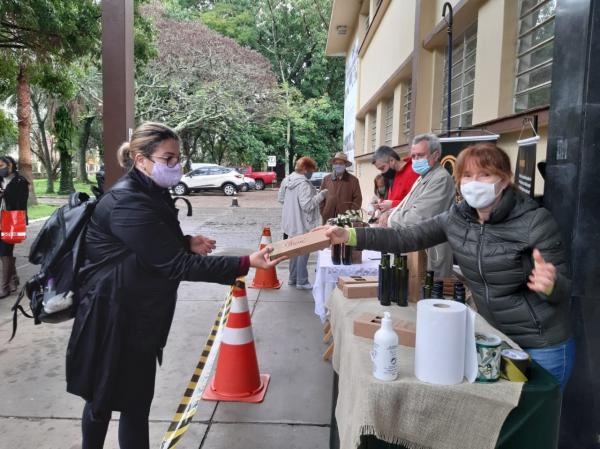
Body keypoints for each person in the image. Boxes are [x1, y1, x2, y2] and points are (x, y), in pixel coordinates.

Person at [66, 122, 285, 449]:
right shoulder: (127, 200)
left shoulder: (148, 191)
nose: (176, 166)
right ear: (141, 160)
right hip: (112, 317)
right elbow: (173, 265)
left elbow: (146, 244)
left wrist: (184, 241)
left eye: (177, 158)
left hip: (136, 314)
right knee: (102, 402)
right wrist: (245, 263)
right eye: (168, 158)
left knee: (134, 404)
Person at [323, 143, 574, 389]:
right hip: (493, 339)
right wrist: (350, 236)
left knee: (540, 425)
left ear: (505, 179)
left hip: (541, 344)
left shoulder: (534, 221)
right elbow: (405, 237)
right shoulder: (457, 218)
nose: (474, 182)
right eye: (467, 175)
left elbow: (564, 289)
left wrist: (550, 285)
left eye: (485, 174)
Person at [279, 156, 327, 289]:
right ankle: (302, 281)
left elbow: (281, 199)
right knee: (303, 253)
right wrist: (321, 195)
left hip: (290, 223)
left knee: (293, 251)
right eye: (312, 170)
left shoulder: (286, 180)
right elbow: (307, 206)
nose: (312, 173)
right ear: (305, 169)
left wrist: (292, 207)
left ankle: (292, 278)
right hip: (302, 224)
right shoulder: (303, 184)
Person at [0, 156, 29, 298]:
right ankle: (13, 280)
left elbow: (21, 202)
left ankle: (4, 287)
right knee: (4, 253)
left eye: (1, 165)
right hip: (0, 219)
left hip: (12, 220)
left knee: (5, 251)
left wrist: (4, 195)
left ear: (10, 165)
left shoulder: (20, 181)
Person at [371, 145, 419, 226]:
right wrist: (382, 207)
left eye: (382, 168)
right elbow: (394, 199)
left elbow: (417, 205)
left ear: (392, 160)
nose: (382, 173)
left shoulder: (413, 172)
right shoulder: (393, 175)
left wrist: (392, 205)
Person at [319, 152, 362, 224]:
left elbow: (357, 200)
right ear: (333, 165)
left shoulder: (353, 180)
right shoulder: (326, 179)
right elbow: (321, 198)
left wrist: (350, 215)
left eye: (341, 163)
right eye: (336, 163)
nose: (338, 165)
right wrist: (323, 212)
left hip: (345, 219)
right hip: (327, 218)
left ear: (345, 165)